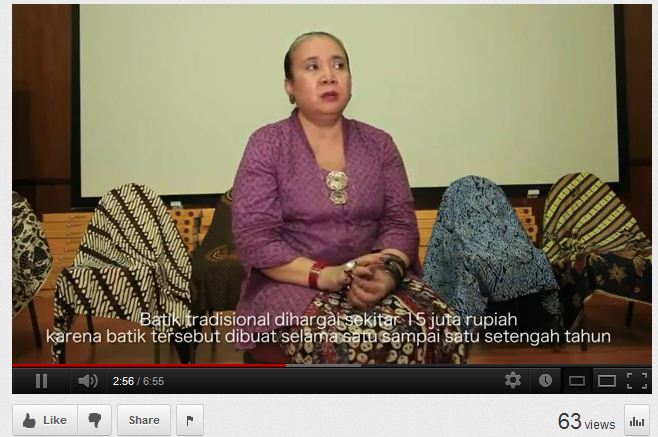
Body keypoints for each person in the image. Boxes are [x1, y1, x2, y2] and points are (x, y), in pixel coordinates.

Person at [232, 31, 465, 364]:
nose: (329, 75)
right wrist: (326, 275)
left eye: (338, 65)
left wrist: (387, 273)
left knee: (439, 324)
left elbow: (400, 224)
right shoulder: (268, 144)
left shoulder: (379, 143)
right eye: (312, 67)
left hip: (373, 276)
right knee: (348, 341)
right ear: (289, 87)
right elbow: (256, 239)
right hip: (293, 283)